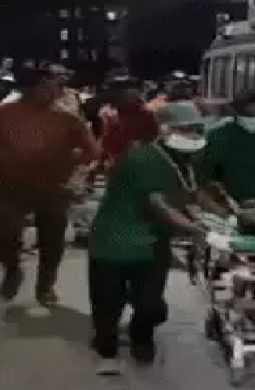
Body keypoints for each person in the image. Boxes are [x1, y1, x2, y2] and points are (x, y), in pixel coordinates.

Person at [86, 101, 216, 375]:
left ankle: (141, 338)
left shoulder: (183, 159)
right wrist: (196, 230)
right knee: (108, 302)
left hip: (154, 241)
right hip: (116, 240)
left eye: (197, 129)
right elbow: (158, 204)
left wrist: (226, 216)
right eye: (186, 129)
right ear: (165, 130)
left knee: (150, 304)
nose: (193, 135)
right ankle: (107, 350)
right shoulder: (142, 158)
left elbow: (193, 190)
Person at [0, 68, 100, 318]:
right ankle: (12, 272)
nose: (55, 91)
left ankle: (45, 285)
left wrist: (74, 171)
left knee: (52, 240)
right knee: (4, 236)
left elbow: (92, 152)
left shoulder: (68, 118)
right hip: (12, 186)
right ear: (28, 88)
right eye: (47, 86)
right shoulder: (0, 113)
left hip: (54, 188)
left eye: (54, 86)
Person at [99, 76, 160, 170]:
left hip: (139, 161)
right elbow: (106, 141)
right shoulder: (108, 113)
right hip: (118, 163)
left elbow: (153, 136)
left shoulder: (146, 113)